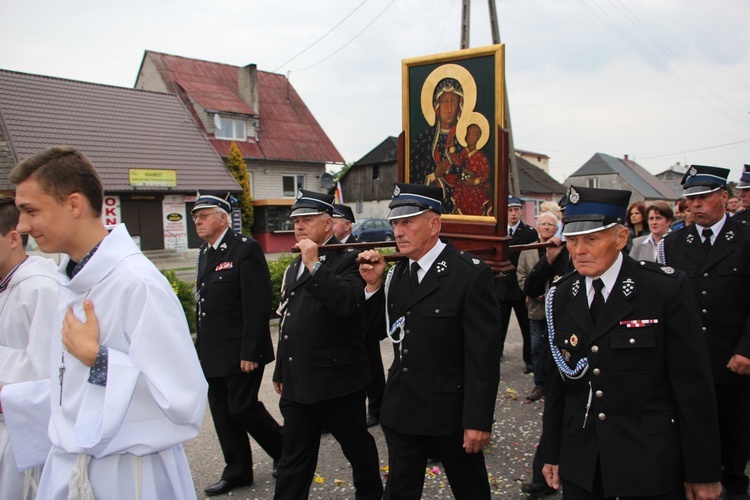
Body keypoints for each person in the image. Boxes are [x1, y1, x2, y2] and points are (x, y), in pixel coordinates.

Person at [0, 146, 207, 498]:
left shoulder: (136, 283)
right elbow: (74, 390)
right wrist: (12, 399)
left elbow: (184, 401)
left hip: (129, 476)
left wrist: (98, 358)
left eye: (30, 211)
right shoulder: (73, 281)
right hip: (76, 470)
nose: (22, 226)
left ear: (74, 204)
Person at [539, 184, 722, 499]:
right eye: (572, 240)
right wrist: (551, 451)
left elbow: (693, 388)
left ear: (621, 238)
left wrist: (702, 471)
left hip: (648, 458)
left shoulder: (663, 290)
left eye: (591, 239)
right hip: (583, 459)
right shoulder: (562, 294)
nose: (579, 251)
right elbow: (560, 384)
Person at [358, 183, 501, 499]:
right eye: (395, 223)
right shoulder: (397, 274)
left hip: (450, 414)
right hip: (403, 409)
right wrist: (372, 287)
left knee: (470, 490)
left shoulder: (469, 274)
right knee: (399, 492)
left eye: (408, 222)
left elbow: (483, 357)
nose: (398, 231)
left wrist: (477, 420)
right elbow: (380, 332)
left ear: (434, 224)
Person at [273, 189, 382, 500]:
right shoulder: (296, 263)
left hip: (338, 383)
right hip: (298, 383)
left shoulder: (351, 258)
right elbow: (288, 322)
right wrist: (281, 369)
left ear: (328, 223)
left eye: (307, 220)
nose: (299, 227)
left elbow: (347, 303)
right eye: (296, 221)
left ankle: (371, 494)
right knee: (293, 459)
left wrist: (315, 265)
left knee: (357, 449)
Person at [659, 165, 750, 498]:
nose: (695, 206)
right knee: (690, 436)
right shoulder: (672, 244)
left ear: (724, 197)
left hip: (732, 361)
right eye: (690, 200)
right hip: (686, 361)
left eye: (704, 198)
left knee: (733, 441)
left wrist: (747, 349)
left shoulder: (745, 237)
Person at [193, 189, 283, 496]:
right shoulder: (205, 253)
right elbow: (205, 307)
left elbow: (257, 305)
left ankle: (285, 451)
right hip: (213, 352)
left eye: (203, 216)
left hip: (241, 351)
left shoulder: (244, 249)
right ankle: (238, 470)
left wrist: (251, 351)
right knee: (221, 411)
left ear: (222, 217)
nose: (197, 221)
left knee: (242, 407)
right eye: (195, 216)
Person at [0, 197, 59, 499]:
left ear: (13, 238)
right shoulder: (6, 284)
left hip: (23, 430)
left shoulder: (40, 288)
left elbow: (47, 370)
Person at [517, 211, 559, 404]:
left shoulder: (562, 249)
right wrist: (533, 293)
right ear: (537, 227)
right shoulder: (528, 250)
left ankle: (554, 384)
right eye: (543, 224)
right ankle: (539, 384)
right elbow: (521, 275)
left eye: (550, 224)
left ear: (556, 228)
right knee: (536, 347)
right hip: (535, 307)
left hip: (556, 309)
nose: (547, 227)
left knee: (555, 347)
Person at [411, 77, 464, 212]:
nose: (450, 109)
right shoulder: (423, 139)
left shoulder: (466, 137)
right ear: (437, 107)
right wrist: (435, 175)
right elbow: (413, 177)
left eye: (453, 101)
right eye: (445, 102)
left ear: (460, 105)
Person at [497, 195, 538, 372]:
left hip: (520, 286)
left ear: (521, 211)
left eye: (516, 210)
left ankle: (529, 359)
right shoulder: (498, 231)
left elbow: (532, 260)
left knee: (526, 326)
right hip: (501, 286)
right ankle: (496, 354)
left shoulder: (529, 232)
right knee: (498, 325)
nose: (513, 214)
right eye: (509, 210)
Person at [443, 122, 492, 216]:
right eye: (468, 133)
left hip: (475, 192)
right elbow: (457, 162)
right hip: (463, 188)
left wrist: (474, 182)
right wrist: (452, 147)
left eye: (473, 134)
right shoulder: (464, 152)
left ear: (478, 137)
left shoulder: (482, 157)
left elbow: (486, 175)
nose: (470, 136)